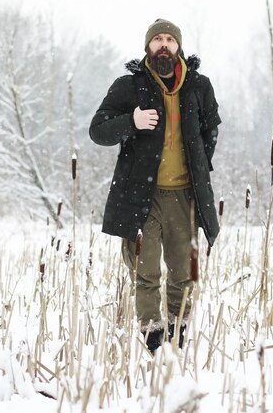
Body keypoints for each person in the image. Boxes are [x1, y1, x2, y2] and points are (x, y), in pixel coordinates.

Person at [89, 18, 221, 353]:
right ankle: (153, 342)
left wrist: (201, 165)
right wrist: (130, 121)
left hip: (183, 197)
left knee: (182, 275)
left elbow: (211, 131)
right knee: (146, 274)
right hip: (141, 198)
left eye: (170, 40)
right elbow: (98, 131)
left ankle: (179, 337)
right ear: (148, 46)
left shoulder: (199, 86)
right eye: (157, 39)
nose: (164, 45)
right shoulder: (129, 86)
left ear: (179, 46)